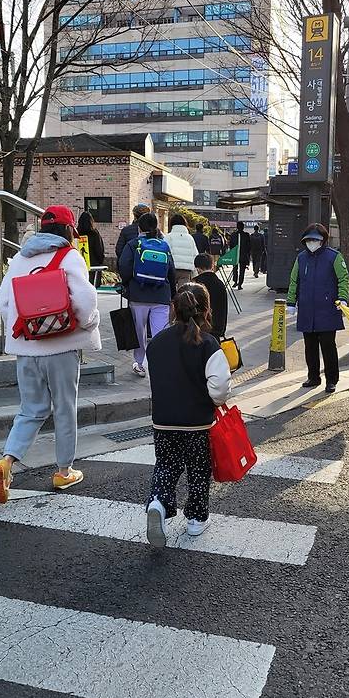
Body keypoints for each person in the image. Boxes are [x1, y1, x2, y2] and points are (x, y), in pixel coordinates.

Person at [0, 205, 101, 503]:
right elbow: (87, 301)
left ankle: (7, 462)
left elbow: (2, 301)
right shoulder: (69, 256)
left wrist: (29, 327)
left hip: (26, 348)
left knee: (31, 409)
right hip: (62, 348)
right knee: (64, 407)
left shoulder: (20, 260)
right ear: (68, 231)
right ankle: (64, 471)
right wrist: (87, 324)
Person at [144, 283, 231, 547]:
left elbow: (152, 376)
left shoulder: (157, 342)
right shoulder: (208, 343)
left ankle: (158, 501)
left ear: (174, 309)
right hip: (198, 423)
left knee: (166, 465)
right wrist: (215, 401)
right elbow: (219, 388)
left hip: (163, 421)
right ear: (206, 311)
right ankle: (195, 519)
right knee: (198, 469)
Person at [286, 223, 349, 395]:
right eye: (309, 240)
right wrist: (291, 302)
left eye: (315, 240)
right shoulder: (301, 258)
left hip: (328, 309)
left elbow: (343, 279)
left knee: (328, 347)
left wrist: (343, 298)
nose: (312, 243)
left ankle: (331, 380)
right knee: (310, 346)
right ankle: (313, 377)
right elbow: (294, 281)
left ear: (323, 240)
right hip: (307, 309)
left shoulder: (334, 257)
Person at [119, 212, 176, 378]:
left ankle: (139, 363)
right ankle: (160, 363)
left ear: (139, 227)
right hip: (161, 296)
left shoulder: (133, 244)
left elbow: (124, 266)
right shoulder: (163, 245)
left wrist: (128, 283)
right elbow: (171, 271)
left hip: (138, 295)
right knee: (160, 332)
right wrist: (171, 294)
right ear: (156, 227)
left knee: (139, 332)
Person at [193, 253, 227, 341]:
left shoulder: (195, 284)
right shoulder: (220, 284)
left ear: (197, 268)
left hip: (197, 331)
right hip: (215, 332)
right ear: (212, 266)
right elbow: (224, 309)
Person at [165, 214, 198, 285]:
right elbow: (195, 255)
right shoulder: (190, 238)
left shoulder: (168, 237)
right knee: (183, 292)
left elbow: (164, 253)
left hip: (171, 269)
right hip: (186, 270)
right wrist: (195, 273)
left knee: (171, 292)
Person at [77, 210, 105, 287]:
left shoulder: (76, 233)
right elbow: (99, 250)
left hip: (79, 266)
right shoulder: (94, 233)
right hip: (93, 266)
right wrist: (100, 261)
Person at [229, 221, 251, 289]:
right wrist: (248, 255)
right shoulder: (246, 235)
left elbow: (231, 245)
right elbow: (249, 246)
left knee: (235, 269)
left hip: (235, 254)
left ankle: (235, 281)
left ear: (237, 227)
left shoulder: (233, 235)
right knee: (242, 270)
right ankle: (240, 284)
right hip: (243, 255)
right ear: (243, 227)